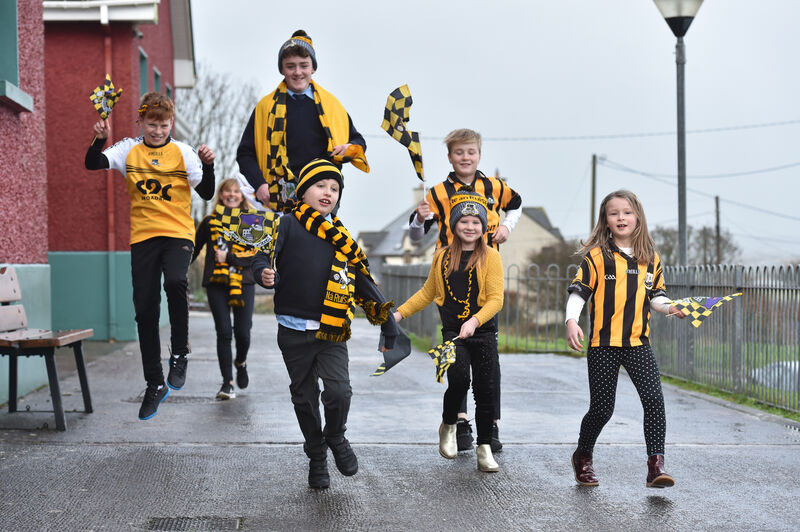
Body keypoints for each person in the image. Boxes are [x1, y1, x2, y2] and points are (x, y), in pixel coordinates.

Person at [254, 159, 397, 489]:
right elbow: (260, 254)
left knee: (338, 391)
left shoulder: (342, 236)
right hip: (292, 328)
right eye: (320, 186)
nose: (328, 192)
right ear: (303, 192)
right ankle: (316, 456)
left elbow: (362, 280)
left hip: (331, 329)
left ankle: (335, 435)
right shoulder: (285, 224)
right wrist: (261, 273)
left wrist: (387, 322)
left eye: (334, 189)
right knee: (304, 398)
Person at [85, 91, 216, 420]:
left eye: (164, 124)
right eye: (152, 124)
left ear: (171, 123)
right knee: (144, 310)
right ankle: (154, 382)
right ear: (140, 122)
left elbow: (207, 192)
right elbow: (93, 163)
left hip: (178, 234)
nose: (158, 130)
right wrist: (97, 140)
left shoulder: (183, 153)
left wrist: (210, 165)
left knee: (175, 281)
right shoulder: (129, 149)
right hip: (143, 237)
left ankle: (180, 355)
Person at [408, 128, 521, 453]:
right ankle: (459, 420)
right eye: (459, 152)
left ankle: (491, 423)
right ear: (450, 157)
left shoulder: (495, 187)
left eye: (471, 152)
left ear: (479, 154)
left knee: (488, 358)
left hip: (486, 276)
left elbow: (517, 206)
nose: (465, 157)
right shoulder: (437, 192)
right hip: (450, 275)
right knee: (453, 352)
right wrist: (418, 219)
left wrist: (505, 227)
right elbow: (416, 238)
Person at [565, 189, 688, 488]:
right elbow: (579, 292)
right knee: (602, 409)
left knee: (654, 400)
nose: (621, 217)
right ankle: (583, 456)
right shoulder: (596, 257)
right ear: (605, 220)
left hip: (637, 344)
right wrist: (572, 321)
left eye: (626, 212)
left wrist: (671, 307)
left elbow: (656, 297)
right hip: (603, 345)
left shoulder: (651, 259)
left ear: (637, 217)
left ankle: (655, 466)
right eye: (613, 213)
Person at [394, 190, 504, 473]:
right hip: (454, 333)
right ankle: (449, 424)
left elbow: (496, 299)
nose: (470, 227)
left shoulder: (491, 257)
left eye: (476, 222)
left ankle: (484, 448)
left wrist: (476, 321)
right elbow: (428, 292)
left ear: (483, 227)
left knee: (485, 390)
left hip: (483, 331)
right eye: (464, 222)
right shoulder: (442, 256)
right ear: (454, 225)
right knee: (457, 379)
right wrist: (399, 313)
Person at [237, 29, 368, 213]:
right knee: (287, 240)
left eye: (303, 65)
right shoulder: (265, 108)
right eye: (290, 66)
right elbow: (245, 154)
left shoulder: (332, 105)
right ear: (282, 69)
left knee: (320, 241)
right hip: (280, 195)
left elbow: (359, 141)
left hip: (323, 190)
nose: (298, 72)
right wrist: (259, 185)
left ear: (313, 68)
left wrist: (349, 148)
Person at [192, 178, 258, 400]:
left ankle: (241, 362)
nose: (232, 195)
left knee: (243, 333)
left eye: (236, 191)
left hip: (244, 283)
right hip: (216, 283)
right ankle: (227, 383)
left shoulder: (251, 222)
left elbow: (254, 257)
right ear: (220, 195)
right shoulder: (209, 222)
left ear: (242, 196)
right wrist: (174, 269)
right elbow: (193, 249)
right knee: (224, 332)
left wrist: (228, 257)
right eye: (227, 191)